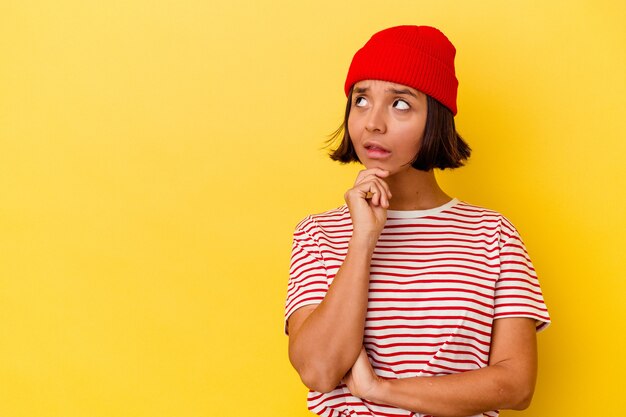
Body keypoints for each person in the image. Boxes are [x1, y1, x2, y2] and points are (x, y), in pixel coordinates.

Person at [284, 25, 550, 417]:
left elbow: (516, 386)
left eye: (401, 104)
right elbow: (319, 370)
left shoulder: (493, 235)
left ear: (436, 120)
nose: (373, 123)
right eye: (361, 100)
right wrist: (362, 241)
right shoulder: (318, 234)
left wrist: (380, 389)